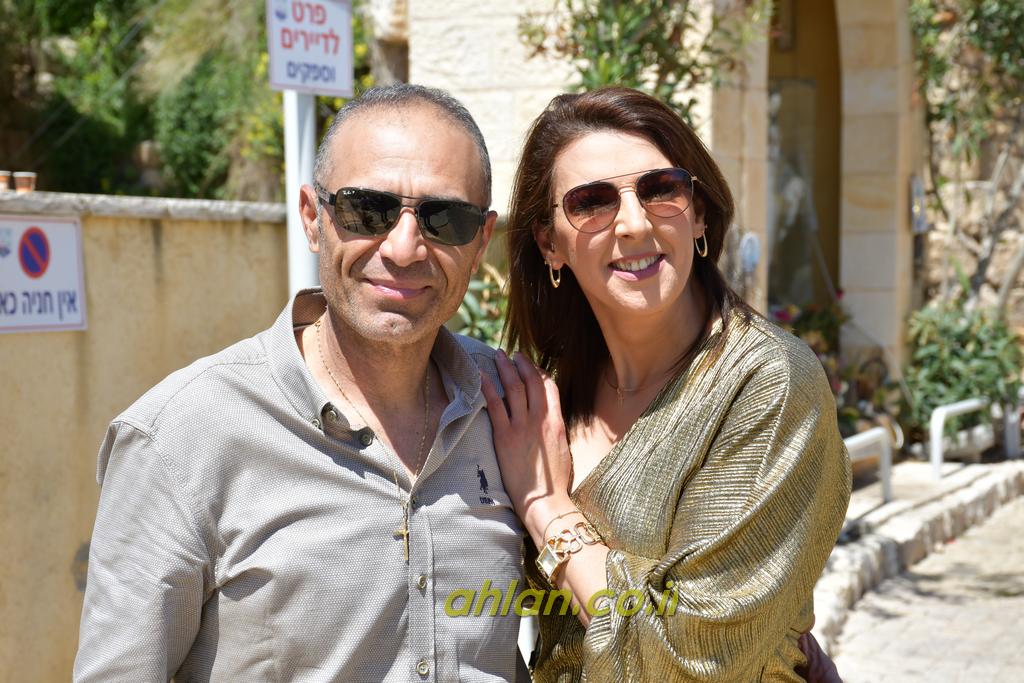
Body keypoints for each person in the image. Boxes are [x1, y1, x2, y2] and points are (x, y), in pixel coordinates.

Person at [74, 84, 528, 682]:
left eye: (445, 219)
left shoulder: (514, 407)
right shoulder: (180, 437)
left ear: (481, 241)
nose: (404, 248)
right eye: (367, 210)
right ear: (313, 219)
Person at [480, 87, 851, 681]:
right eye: (591, 202)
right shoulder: (545, 399)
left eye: (660, 190)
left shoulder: (766, 383)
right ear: (550, 243)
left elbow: (692, 653)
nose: (634, 223)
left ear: (698, 213)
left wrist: (547, 509)